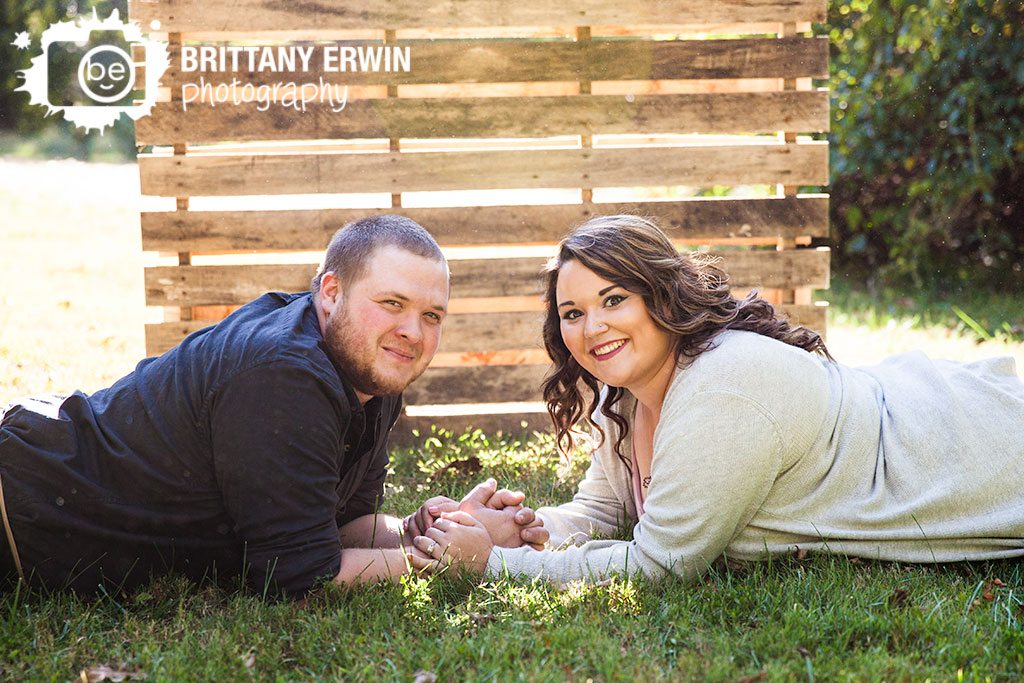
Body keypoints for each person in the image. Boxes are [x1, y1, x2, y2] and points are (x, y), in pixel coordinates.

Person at [410, 214, 1024, 584]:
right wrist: (527, 530)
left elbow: (661, 563)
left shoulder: (721, 387)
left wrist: (491, 565)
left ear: (662, 296)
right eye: (573, 312)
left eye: (614, 299)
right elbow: (606, 514)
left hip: (977, 450)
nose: (592, 327)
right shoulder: (621, 398)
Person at [0, 214, 546, 598]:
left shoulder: (371, 372)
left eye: (432, 315)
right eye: (392, 304)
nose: (412, 331)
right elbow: (301, 577)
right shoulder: (284, 374)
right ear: (330, 293)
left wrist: (429, 530)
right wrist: (446, 563)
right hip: (19, 505)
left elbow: (335, 529)